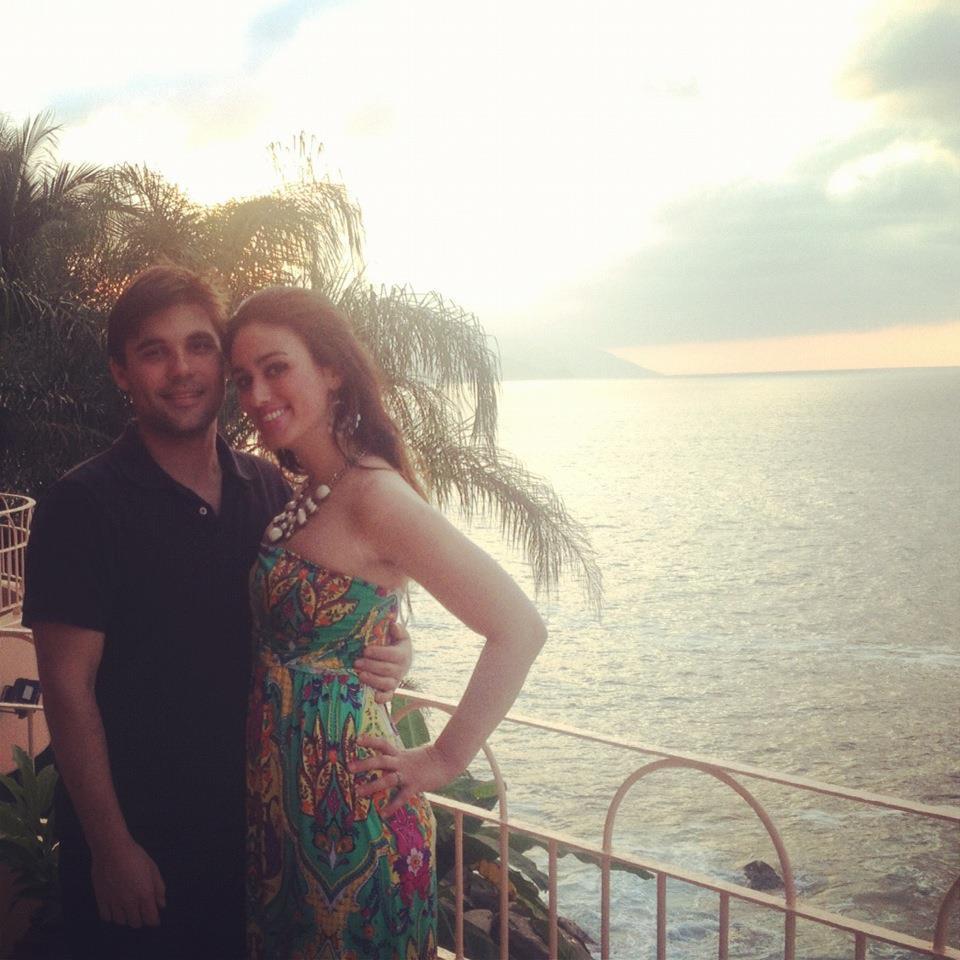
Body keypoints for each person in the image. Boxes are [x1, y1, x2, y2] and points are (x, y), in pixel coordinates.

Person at [22, 265, 412, 959]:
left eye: (199, 346)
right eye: (154, 351)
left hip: (261, 836)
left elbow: (318, 610)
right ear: (121, 371)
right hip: (142, 850)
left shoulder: (265, 488)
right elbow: (66, 689)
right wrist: (112, 848)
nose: (181, 370)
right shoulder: (83, 507)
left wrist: (386, 648)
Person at [224, 286, 547, 959]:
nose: (256, 393)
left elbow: (518, 627)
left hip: (354, 820)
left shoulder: (375, 495)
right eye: (243, 378)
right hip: (280, 811)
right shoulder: (307, 493)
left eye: (276, 368)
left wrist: (444, 757)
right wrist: (380, 650)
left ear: (332, 371)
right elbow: (334, 616)